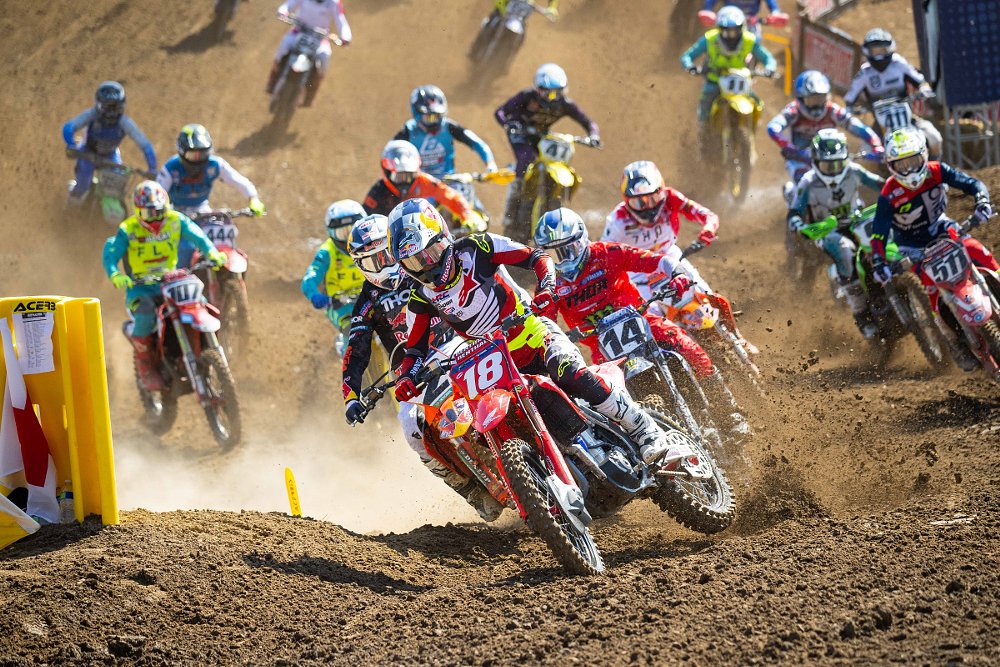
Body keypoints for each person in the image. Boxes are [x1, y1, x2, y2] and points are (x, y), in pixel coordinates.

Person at [387, 198, 689, 466]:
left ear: (443, 238)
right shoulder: (420, 298)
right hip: (496, 362)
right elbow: (414, 350)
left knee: (569, 371)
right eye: (415, 262)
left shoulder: (478, 247)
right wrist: (406, 378)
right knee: (493, 424)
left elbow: (537, 257)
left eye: (430, 253)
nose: (426, 266)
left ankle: (644, 428)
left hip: (532, 331)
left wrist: (545, 288)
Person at [341, 215, 505, 521]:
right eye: (373, 262)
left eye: (386, 255)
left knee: (497, 378)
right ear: (361, 266)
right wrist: (352, 396)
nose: (384, 264)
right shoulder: (367, 299)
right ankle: (470, 489)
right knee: (411, 427)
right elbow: (356, 348)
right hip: (416, 366)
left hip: (458, 338)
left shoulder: (421, 267)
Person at [535, 208, 748, 438]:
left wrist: (676, 273)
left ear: (582, 240)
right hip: (601, 348)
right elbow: (544, 323)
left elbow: (653, 260)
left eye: (569, 249)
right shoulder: (549, 284)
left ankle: (729, 412)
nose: (565, 259)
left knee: (692, 350)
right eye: (556, 254)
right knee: (610, 404)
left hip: (641, 321)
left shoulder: (606, 252)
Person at [870, 127, 996, 369]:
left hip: (941, 227)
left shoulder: (937, 171)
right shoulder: (889, 193)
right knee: (934, 291)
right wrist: (879, 262)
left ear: (924, 155)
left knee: (978, 251)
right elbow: (878, 233)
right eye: (901, 164)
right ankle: (956, 343)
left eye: (913, 161)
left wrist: (982, 201)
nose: (908, 169)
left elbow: (971, 182)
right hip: (912, 246)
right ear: (890, 165)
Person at [102, 181, 226, 391]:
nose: (155, 218)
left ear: (167, 206)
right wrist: (116, 275)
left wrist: (212, 252)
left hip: (172, 280)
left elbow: (198, 236)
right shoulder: (128, 229)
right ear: (137, 211)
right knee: (145, 315)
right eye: (148, 213)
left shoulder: (176, 221)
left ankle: (209, 350)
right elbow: (111, 253)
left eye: (158, 212)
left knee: (200, 303)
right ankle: (146, 366)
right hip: (141, 287)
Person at [787, 129, 885, 339]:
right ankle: (862, 315)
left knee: (885, 241)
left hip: (857, 221)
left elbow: (881, 184)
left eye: (837, 164)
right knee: (845, 252)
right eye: (826, 165)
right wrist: (796, 224)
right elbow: (795, 211)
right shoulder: (808, 182)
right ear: (815, 161)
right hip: (826, 231)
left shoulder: (854, 171)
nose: (832, 170)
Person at [494, 63, 601, 233]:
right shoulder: (526, 96)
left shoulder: (565, 104)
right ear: (537, 88)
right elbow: (500, 111)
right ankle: (516, 190)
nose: (551, 97)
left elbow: (588, 122)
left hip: (540, 137)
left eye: (556, 93)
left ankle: (549, 197)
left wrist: (593, 135)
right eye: (546, 92)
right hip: (520, 133)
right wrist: (508, 124)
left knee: (556, 159)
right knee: (526, 158)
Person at [157, 124, 266, 267]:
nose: (198, 159)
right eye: (192, 154)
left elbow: (240, 181)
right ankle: (180, 276)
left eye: (202, 154)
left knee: (228, 233)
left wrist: (253, 199)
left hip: (202, 210)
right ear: (181, 152)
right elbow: (156, 194)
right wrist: (163, 213)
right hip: (176, 212)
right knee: (186, 247)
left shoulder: (215, 164)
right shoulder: (171, 168)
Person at [680, 6, 776, 156]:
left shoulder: (749, 40)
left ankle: (751, 137)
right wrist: (691, 67)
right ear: (719, 28)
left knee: (757, 104)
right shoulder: (710, 39)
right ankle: (703, 139)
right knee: (705, 105)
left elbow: (767, 57)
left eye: (735, 30)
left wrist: (770, 68)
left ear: (742, 28)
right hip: (715, 81)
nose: (731, 35)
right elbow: (687, 56)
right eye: (726, 31)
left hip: (740, 82)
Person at [767, 70, 883, 192]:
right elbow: (773, 128)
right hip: (801, 160)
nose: (817, 105)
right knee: (803, 185)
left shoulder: (833, 110)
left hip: (832, 158)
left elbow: (860, 128)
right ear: (800, 99)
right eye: (812, 100)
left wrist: (876, 146)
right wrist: (790, 148)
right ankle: (794, 200)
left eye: (820, 99)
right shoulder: (794, 110)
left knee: (850, 178)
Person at [843, 28, 941, 158]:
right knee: (866, 152)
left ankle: (934, 168)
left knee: (934, 138)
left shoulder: (899, 64)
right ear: (868, 51)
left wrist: (924, 90)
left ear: (890, 48)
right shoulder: (865, 73)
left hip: (907, 116)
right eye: (875, 50)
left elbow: (920, 81)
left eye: (882, 50)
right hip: (880, 122)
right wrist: (850, 108)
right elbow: (850, 97)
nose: (879, 55)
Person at [362, 140, 486, 234]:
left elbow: (450, 196)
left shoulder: (424, 180)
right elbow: (365, 222)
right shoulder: (377, 193)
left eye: (409, 176)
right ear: (387, 172)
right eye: (399, 177)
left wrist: (467, 215)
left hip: (422, 232)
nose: (405, 182)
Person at [62, 81, 157, 202]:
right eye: (108, 107)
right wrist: (71, 144)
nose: (111, 112)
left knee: (114, 189)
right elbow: (69, 127)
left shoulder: (124, 123)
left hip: (110, 156)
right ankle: (71, 203)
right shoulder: (91, 115)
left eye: (115, 107)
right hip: (87, 152)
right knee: (83, 184)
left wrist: (152, 168)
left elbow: (145, 145)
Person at [301, 200, 367, 353]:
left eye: (352, 230)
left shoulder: (372, 243)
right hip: (339, 304)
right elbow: (309, 280)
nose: (347, 238)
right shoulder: (326, 252)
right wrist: (316, 297)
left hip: (370, 296)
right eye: (341, 233)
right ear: (331, 233)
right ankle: (350, 363)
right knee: (352, 331)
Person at [393, 86, 497, 181]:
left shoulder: (448, 126)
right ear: (417, 113)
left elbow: (477, 143)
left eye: (437, 116)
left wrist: (490, 165)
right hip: (421, 186)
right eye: (429, 117)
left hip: (450, 183)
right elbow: (391, 152)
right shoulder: (408, 130)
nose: (434, 122)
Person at [266, 0, 352, 107]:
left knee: (324, 60)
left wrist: (345, 38)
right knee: (283, 48)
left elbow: (341, 21)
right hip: (298, 31)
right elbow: (288, 5)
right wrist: (283, 12)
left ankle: (310, 94)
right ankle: (273, 81)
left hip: (320, 39)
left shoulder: (334, 3)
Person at [698, 0, 788, 39]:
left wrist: (776, 13)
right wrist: (708, 10)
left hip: (751, 23)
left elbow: (772, 4)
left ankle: (753, 67)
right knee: (713, 40)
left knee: (756, 40)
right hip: (727, 23)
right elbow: (710, 3)